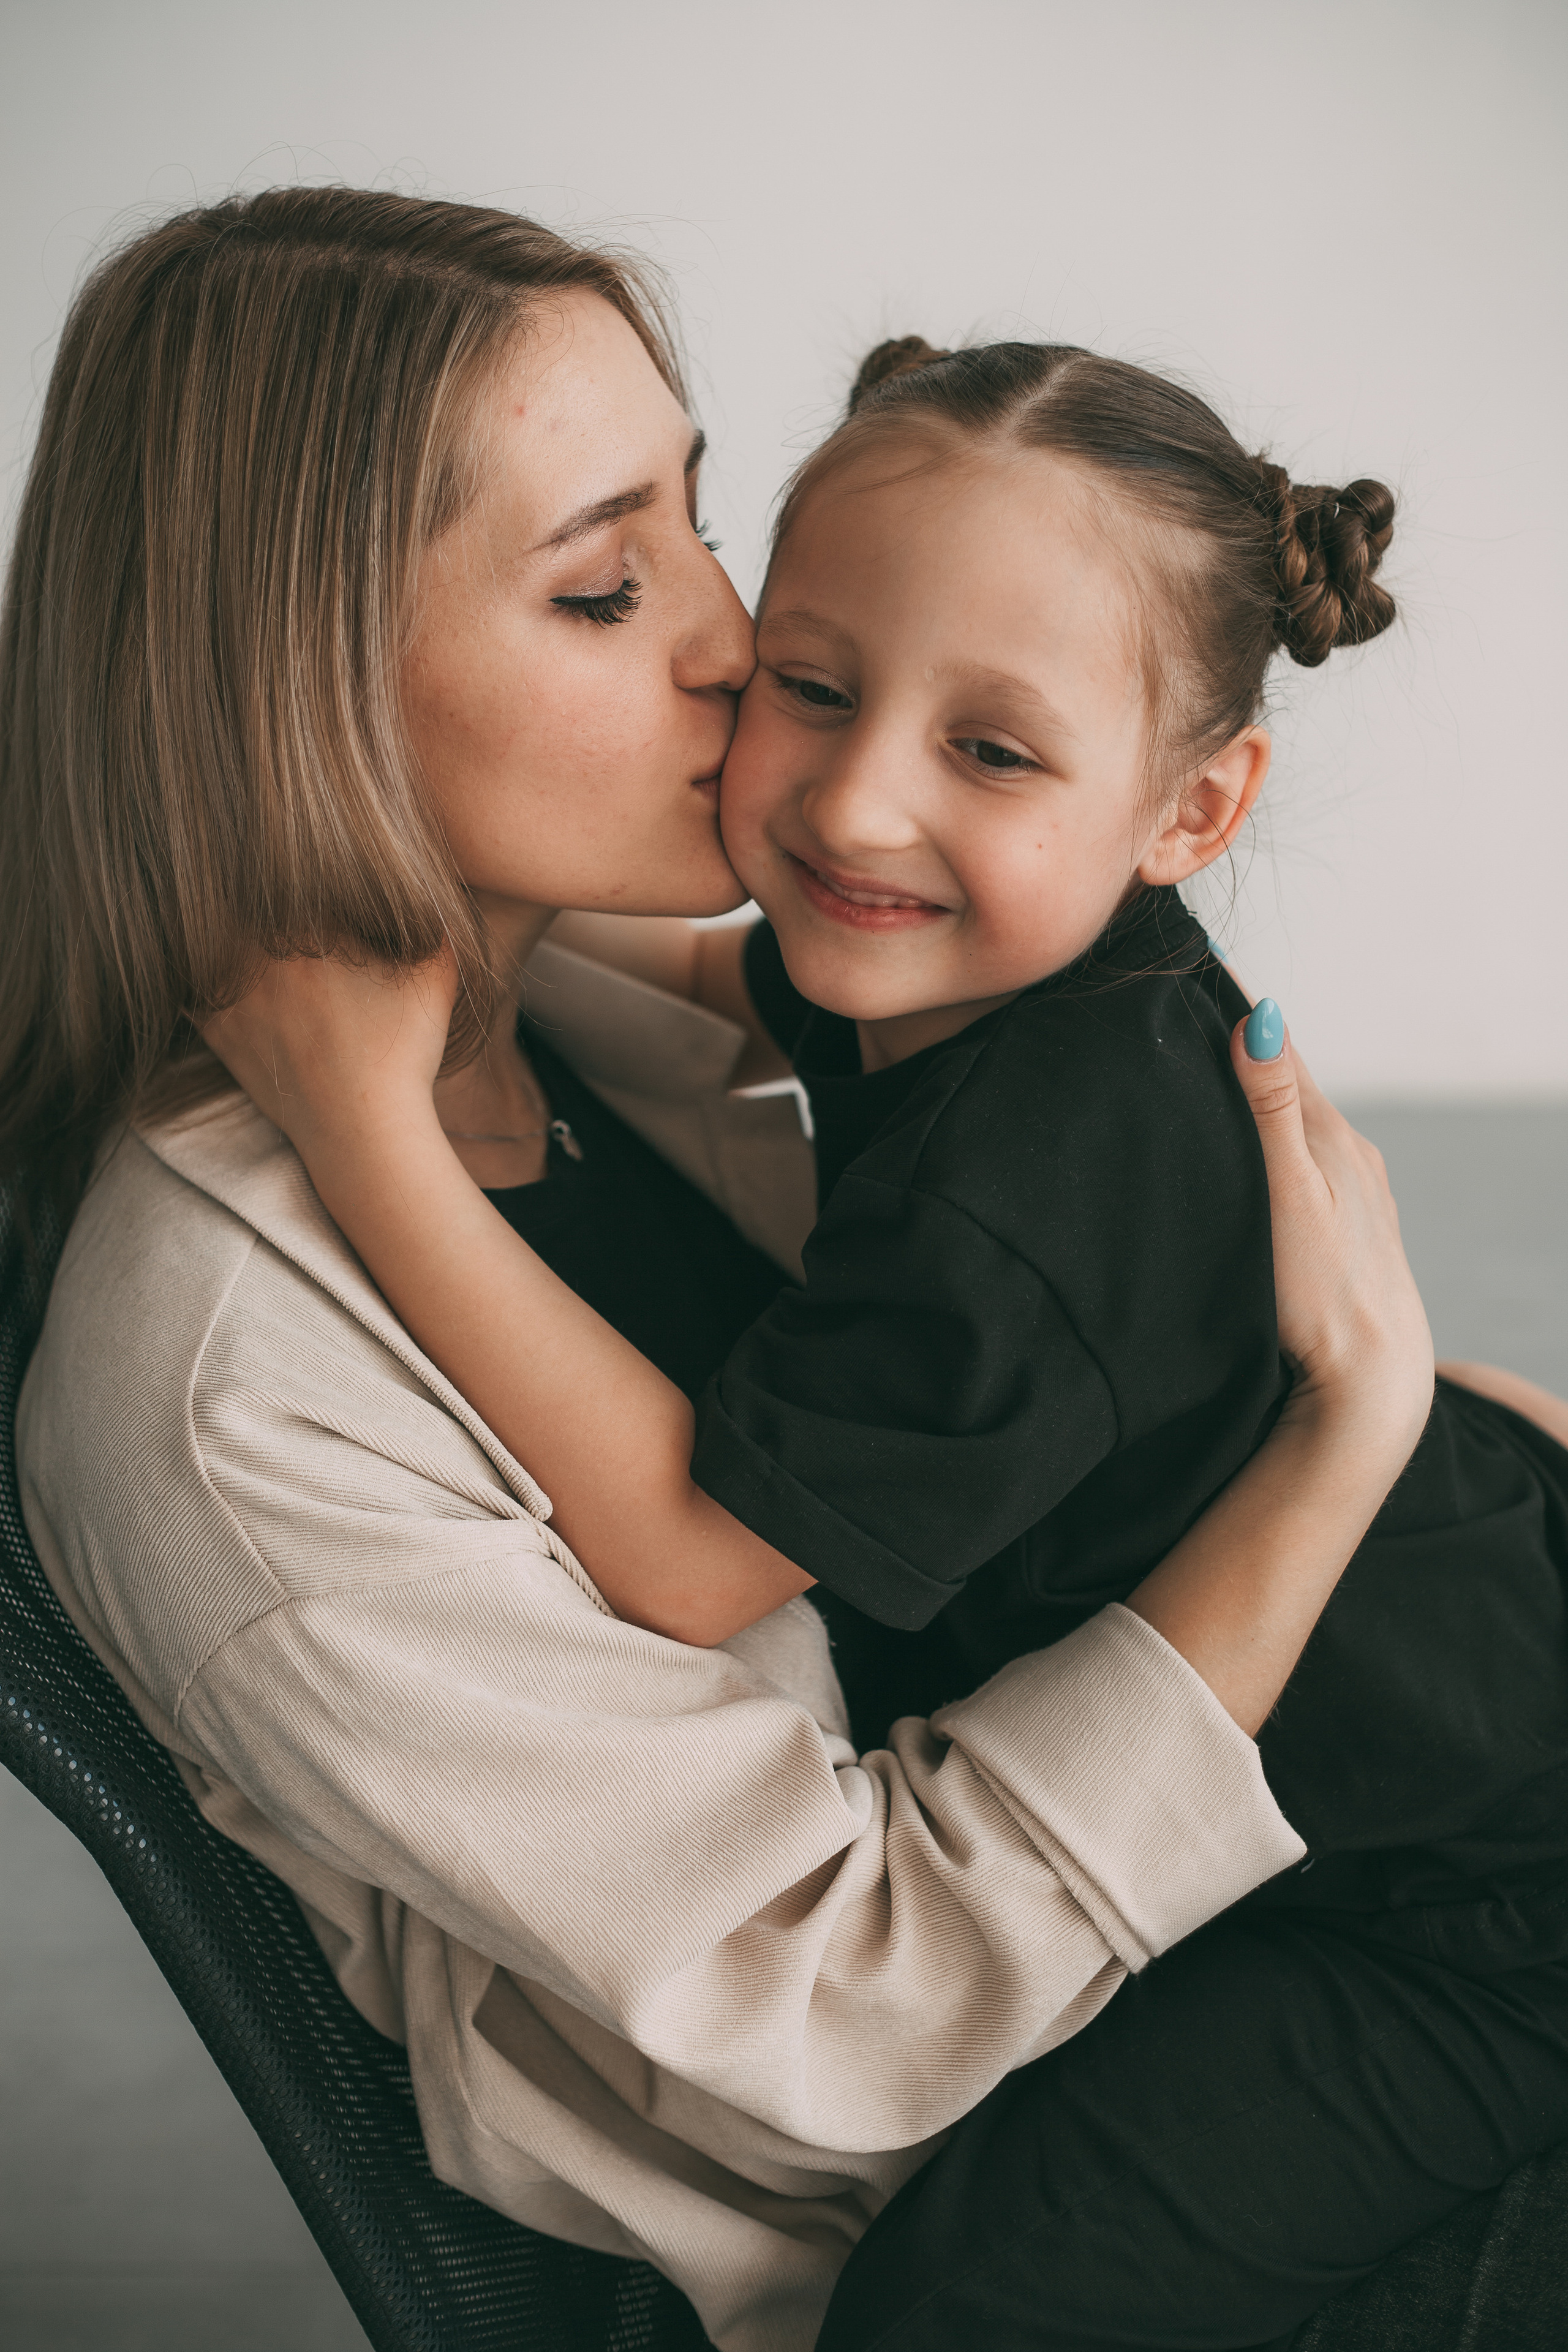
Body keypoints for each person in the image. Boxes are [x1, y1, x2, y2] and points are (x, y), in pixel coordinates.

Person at [3, 187, 1432, 2352]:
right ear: (287, 680)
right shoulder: (224, 1390)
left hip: (1309, 1901)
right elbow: (855, 2005)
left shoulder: (565, 1006)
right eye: (601, 586)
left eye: (694, 521)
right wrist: (1346, 1446)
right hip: (1086, 2146)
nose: (732, 637)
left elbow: (1001, 1356)